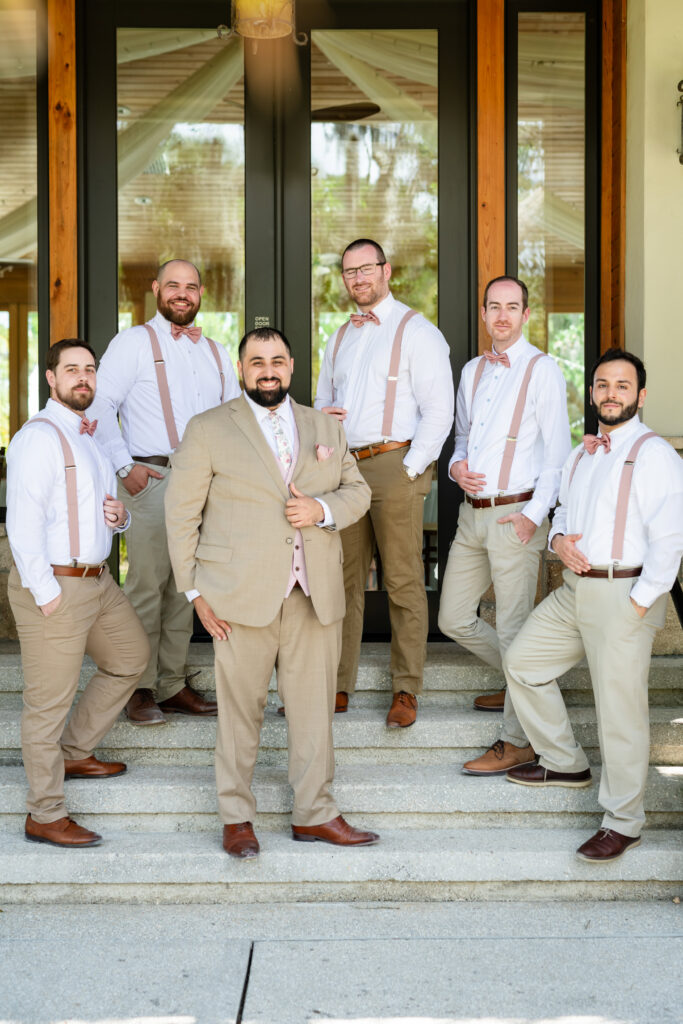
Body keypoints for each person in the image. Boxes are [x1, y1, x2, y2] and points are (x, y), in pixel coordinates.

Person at [164, 327, 378, 858]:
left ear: (290, 367)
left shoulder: (324, 426)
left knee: (313, 712)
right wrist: (194, 593)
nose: (267, 369)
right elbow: (180, 515)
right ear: (241, 369)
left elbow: (359, 491)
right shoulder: (209, 428)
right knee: (241, 714)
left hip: (314, 592)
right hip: (237, 596)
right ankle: (237, 818)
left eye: (277, 360)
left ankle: (315, 813)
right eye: (256, 361)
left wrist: (321, 511)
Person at [504, 349, 683, 861]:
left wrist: (640, 603)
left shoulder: (656, 456)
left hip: (625, 595)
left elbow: (671, 540)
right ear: (592, 393)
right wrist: (558, 540)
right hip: (573, 591)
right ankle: (564, 761)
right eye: (602, 384)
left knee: (620, 712)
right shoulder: (582, 453)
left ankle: (624, 821)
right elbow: (561, 513)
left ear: (640, 396)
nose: (611, 393)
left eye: (622, 386)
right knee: (523, 664)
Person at [6, 339, 150, 848]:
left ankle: (75, 750)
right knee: (47, 703)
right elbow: (22, 527)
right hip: (55, 585)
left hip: (97, 579)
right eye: (72, 369)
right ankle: (44, 813)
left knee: (131, 657)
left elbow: (92, 513)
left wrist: (121, 518)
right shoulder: (38, 439)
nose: (83, 377)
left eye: (89, 369)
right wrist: (46, 597)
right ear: (51, 378)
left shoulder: (88, 435)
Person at [90, 259, 240, 724]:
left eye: (190, 286)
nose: (182, 293)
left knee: (185, 585)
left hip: (205, 483)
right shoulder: (133, 342)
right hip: (152, 478)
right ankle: (137, 685)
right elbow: (99, 404)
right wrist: (123, 465)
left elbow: (237, 416)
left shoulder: (215, 353)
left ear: (200, 294)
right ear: (156, 289)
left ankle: (172, 683)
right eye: (172, 285)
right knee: (148, 585)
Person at [314, 239, 454, 727]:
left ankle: (406, 688)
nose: (358, 279)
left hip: (396, 464)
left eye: (366, 269)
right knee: (343, 580)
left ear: (386, 270)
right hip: (345, 471)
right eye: (349, 272)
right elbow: (320, 402)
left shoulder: (419, 332)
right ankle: (337, 683)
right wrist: (325, 430)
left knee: (402, 579)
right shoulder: (339, 336)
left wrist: (413, 469)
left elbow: (440, 410)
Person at [437, 276, 571, 775]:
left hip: (516, 514)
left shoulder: (544, 371)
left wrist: (532, 518)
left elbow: (558, 456)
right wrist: (455, 467)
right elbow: (462, 437)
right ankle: (527, 683)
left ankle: (517, 739)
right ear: (484, 313)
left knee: (514, 628)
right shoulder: (472, 370)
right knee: (453, 617)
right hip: (470, 515)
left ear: (526, 314)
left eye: (512, 307)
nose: (502, 316)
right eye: (494, 306)